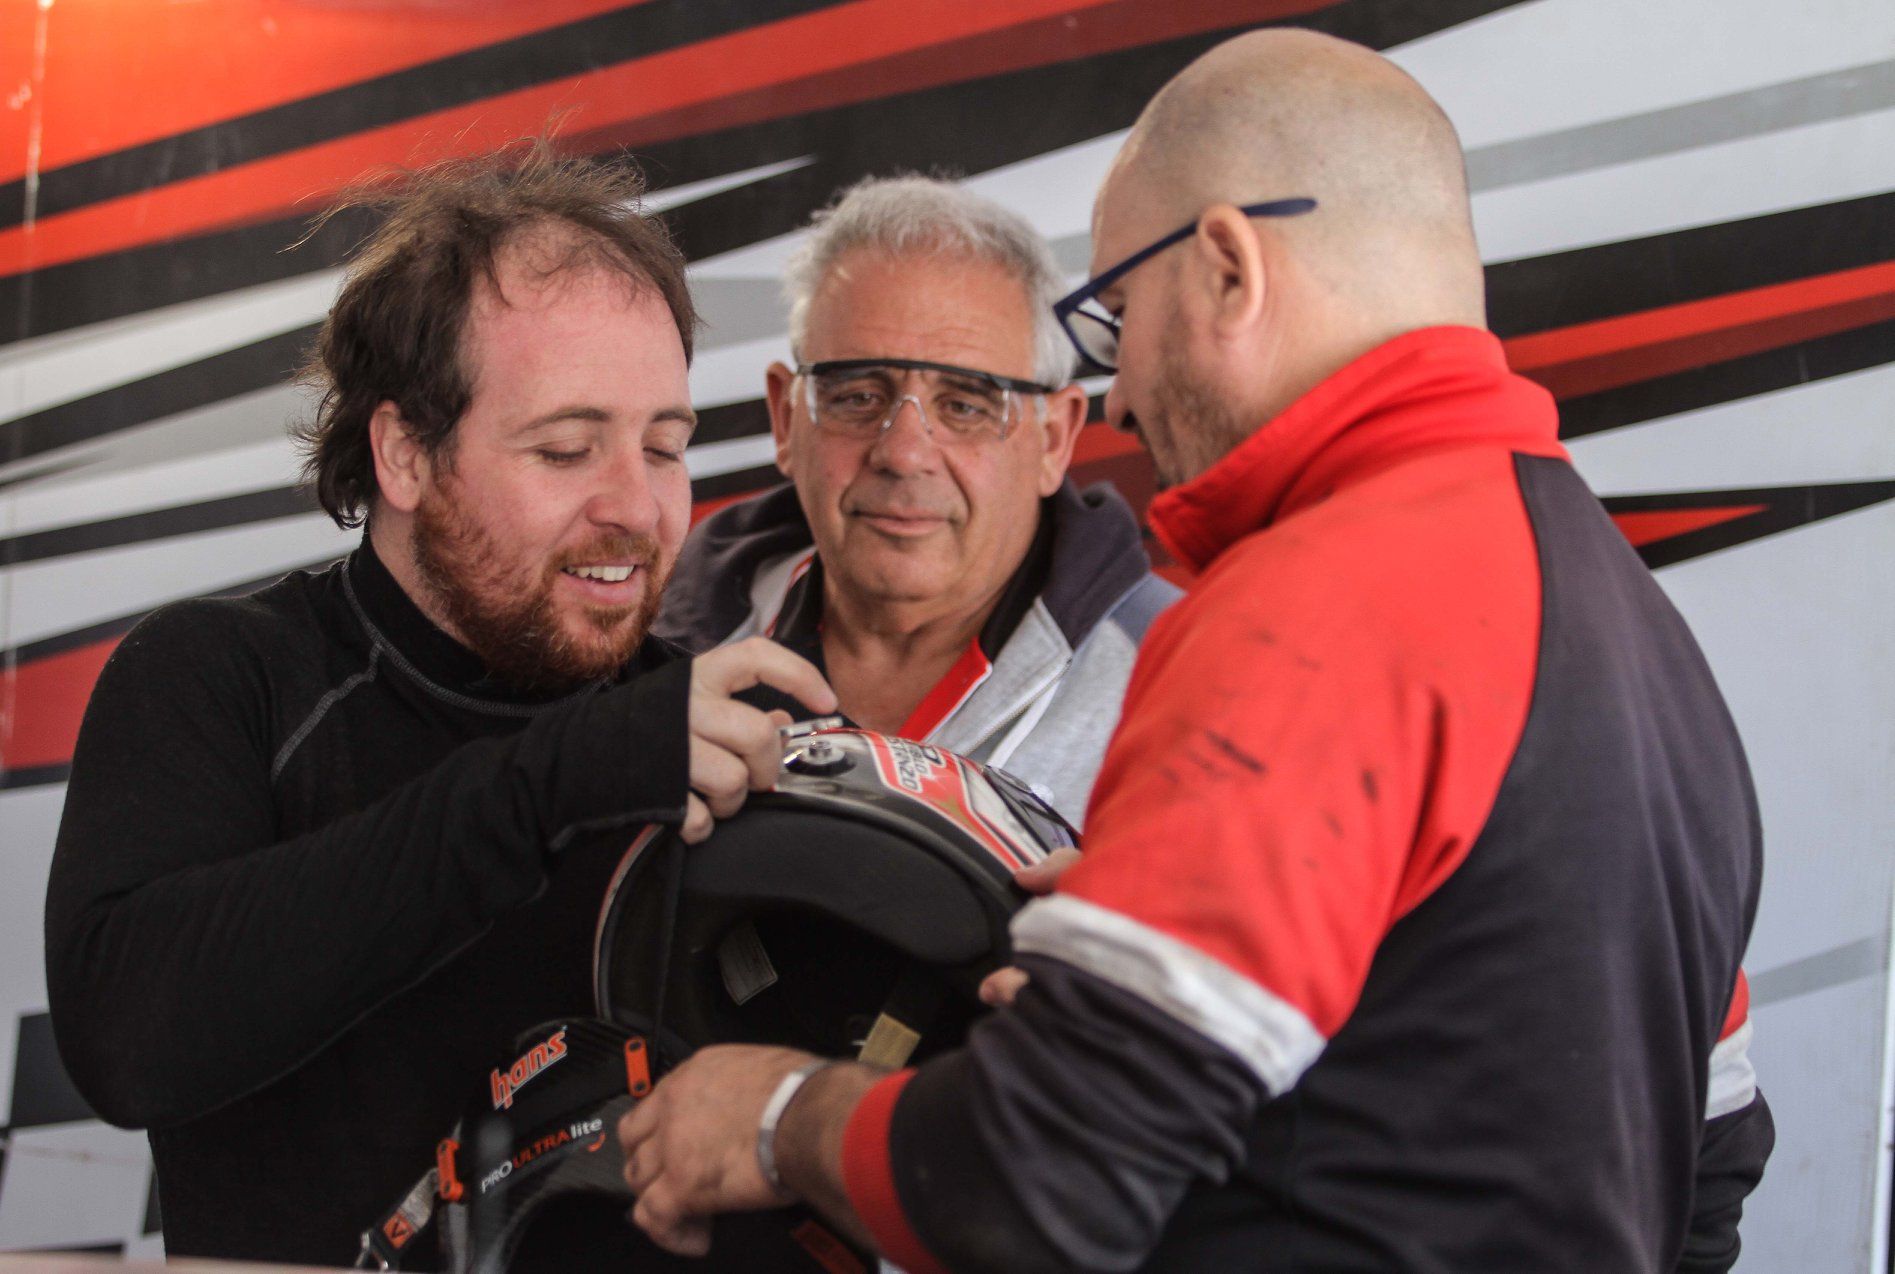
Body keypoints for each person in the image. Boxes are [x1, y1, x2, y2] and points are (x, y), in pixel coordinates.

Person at [614, 29, 1775, 1274]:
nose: (1119, 394)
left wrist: (782, 1115)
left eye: (1117, 312)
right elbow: (1710, 1154)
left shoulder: (1313, 606)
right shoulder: (1636, 631)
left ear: (1224, 268)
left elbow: (1038, 1176)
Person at [42, 143, 833, 1269]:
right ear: (405, 451)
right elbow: (127, 1039)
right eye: (565, 446)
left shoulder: (700, 726)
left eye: (663, 445)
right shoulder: (226, 676)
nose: (636, 506)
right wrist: (549, 783)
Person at [657, 176, 1179, 824]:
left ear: (1054, 438)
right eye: (856, 397)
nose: (903, 454)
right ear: (783, 418)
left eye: (964, 405)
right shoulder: (648, 652)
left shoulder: (1184, 684)